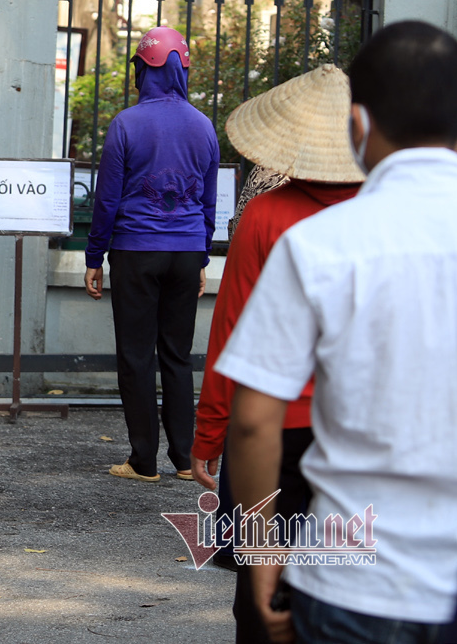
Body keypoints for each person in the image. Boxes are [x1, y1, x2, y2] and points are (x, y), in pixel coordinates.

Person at [221, 21, 457, 644]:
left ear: (357, 124)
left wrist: (262, 552)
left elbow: (252, 420)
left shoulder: (317, 245)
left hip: (353, 582)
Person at [187, 66, 363, 644]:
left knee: (260, 593)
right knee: (350, 577)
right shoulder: (383, 216)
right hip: (356, 433)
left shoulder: (264, 215)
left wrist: (209, 433)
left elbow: (231, 333)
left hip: (270, 432)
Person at [83, 26, 219, 483]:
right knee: (177, 356)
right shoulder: (203, 127)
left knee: (137, 356)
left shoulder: (126, 124)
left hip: (136, 252)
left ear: (144, 70)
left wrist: (94, 256)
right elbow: (209, 202)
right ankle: (184, 460)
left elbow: (106, 199)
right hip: (185, 254)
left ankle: (143, 461)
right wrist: (200, 258)